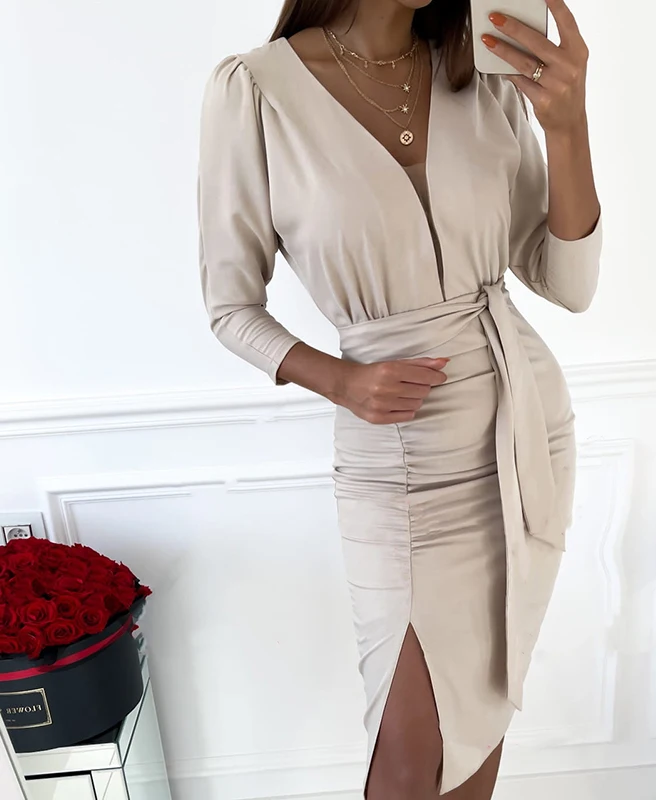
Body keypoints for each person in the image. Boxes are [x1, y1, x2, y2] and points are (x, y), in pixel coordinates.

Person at [197, 0, 601, 796]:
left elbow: (569, 283)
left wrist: (567, 127)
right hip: (397, 461)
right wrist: (339, 379)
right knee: (412, 763)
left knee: (476, 735)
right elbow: (229, 306)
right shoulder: (256, 89)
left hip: (524, 437)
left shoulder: (482, 79)